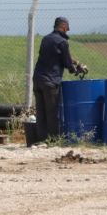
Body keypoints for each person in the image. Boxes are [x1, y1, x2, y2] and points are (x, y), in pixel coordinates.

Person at [31, 16, 86, 144]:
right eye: (67, 28)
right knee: (52, 113)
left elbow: (56, 56)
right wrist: (76, 69)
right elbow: (67, 62)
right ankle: (53, 140)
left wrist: (76, 62)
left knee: (41, 112)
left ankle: (42, 139)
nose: (68, 31)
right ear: (63, 27)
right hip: (50, 82)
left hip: (38, 79)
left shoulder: (46, 39)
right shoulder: (62, 42)